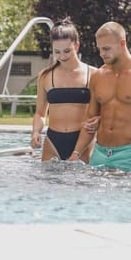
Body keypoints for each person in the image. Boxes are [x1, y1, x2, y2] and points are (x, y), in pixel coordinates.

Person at [69, 21, 131, 171]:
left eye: (107, 49)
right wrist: (76, 153)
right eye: (100, 49)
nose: (102, 54)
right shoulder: (98, 76)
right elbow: (89, 122)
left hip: (129, 155)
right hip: (99, 154)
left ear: (122, 43)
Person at [30, 19, 96, 162]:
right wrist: (35, 132)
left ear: (76, 46)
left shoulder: (93, 74)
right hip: (53, 141)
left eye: (67, 51)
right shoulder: (45, 76)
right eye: (57, 52)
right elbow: (40, 113)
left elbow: (104, 110)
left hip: (82, 142)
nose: (62, 57)